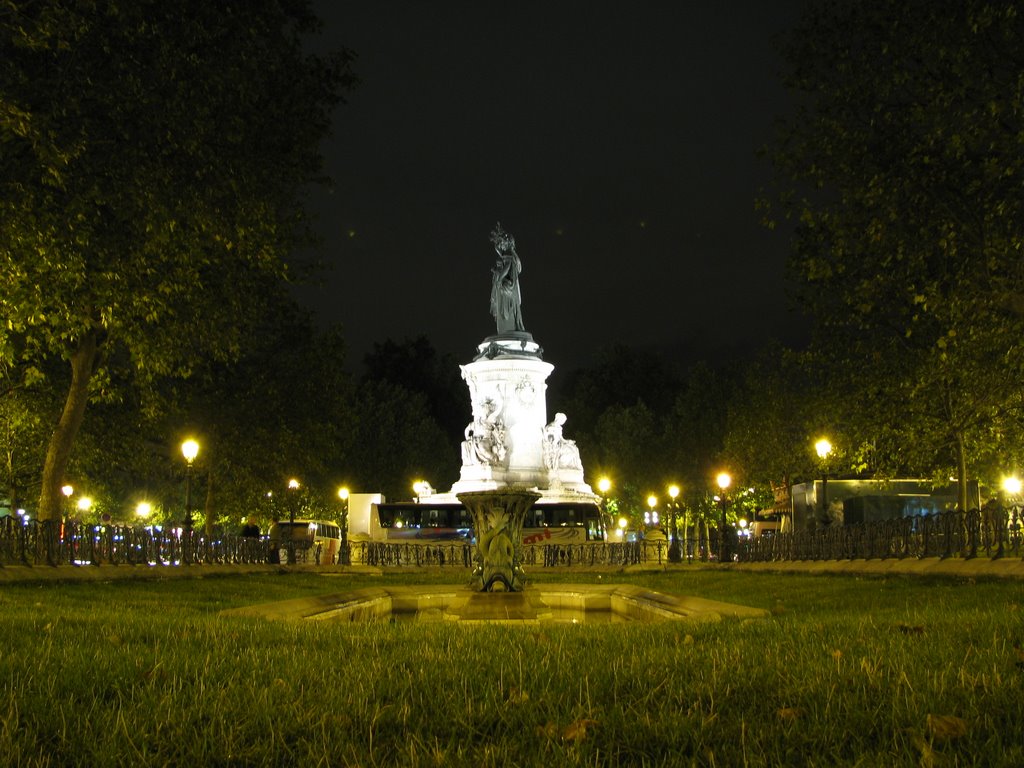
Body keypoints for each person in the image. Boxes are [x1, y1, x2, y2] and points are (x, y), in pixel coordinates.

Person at [489, 223, 525, 333]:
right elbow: (498, 249)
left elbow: (505, 273)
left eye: (502, 244)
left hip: (507, 290)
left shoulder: (509, 259)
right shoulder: (509, 258)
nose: (500, 246)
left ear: (507, 244)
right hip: (506, 290)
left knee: (507, 312)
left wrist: (498, 276)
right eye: (500, 244)